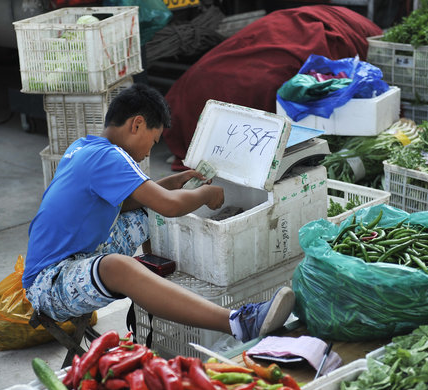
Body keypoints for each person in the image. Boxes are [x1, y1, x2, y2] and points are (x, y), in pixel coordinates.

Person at [23, 83, 295, 343]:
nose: (148, 152)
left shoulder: (86, 147)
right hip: (49, 282)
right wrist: (205, 194)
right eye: (153, 142)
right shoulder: (110, 157)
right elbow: (170, 206)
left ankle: (158, 282)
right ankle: (238, 323)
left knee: (144, 212)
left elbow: (129, 203)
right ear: (137, 124)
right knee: (118, 266)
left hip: (75, 257)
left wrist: (173, 183)